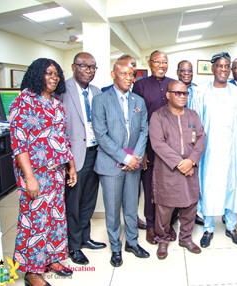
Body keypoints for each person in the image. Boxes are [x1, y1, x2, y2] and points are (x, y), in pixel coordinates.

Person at [9, 58, 77, 286]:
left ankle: (53, 259)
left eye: (56, 74)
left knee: (55, 219)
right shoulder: (24, 101)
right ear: (37, 74)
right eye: (48, 73)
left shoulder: (56, 104)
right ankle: (32, 272)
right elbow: (19, 143)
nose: (54, 78)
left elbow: (62, 140)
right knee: (35, 221)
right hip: (36, 174)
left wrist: (71, 167)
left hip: (56, 173)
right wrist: (29, 178)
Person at [189, 52, 237, 247]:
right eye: (220, 66)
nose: (224, 70)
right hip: (208, 151)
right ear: (213, 68)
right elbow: (195, 123)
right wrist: (195, 152)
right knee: (209, 187)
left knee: (232, 186)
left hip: (233, 150)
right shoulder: (201, 92)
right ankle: (208, 228)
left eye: (227, 66)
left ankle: (231, 227)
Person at [92, 55, 150, 267]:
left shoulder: (138, 101)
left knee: (131, 206)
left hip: (134, 163)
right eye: (123, 74)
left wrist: (136, 157)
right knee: (113, 208)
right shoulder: (100, 100)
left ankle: (132, 242)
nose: (128, 78)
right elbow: (101, 134)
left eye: (131, 74)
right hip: (110, 165)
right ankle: (115, 247)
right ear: (113, 74)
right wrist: (124, 157)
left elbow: (144, 130)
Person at [56, 52, 106, 266]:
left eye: (93, 67)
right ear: (73, 66)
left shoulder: (96, 92)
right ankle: (73, 246)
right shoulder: (61, 91)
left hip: (96, 152)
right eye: (84, 66)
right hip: (74, 157)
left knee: (89, 200)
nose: (89, 71)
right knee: (73, 202)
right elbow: (58, 129)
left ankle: (85, 238)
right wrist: (68, 162)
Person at [149, 80, 206, 259]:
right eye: (178, 93)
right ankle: (163, 239)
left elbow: (202, 138)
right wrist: (182, 164)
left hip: (191, 169)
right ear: (168, 95)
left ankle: (186, 238)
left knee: (190, 206)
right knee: (164, 209)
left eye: (185, 93)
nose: (182, 96)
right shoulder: (158, 116)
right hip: (167, 171)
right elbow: (158, 144)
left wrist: (192, 161)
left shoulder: (193, 115)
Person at [132, 50, 177, 245]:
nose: (161, 65)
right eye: (157, 61)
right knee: (150, 189)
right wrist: (139, 152)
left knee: (170, 187)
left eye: (165, 62)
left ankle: (167, 225)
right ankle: (151, 226)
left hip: (172, 148)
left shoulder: (173, 85)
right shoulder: (140, 86)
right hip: (148, 149)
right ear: (150, 63)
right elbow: (136, 121)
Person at [176, 60, 204, 226]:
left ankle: (194, 213)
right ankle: (175, 213)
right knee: (177, 178)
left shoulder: (198, 91)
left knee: (194, 178)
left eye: (190, 70)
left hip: (194, 139)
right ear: (178, 71)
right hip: (177, 139)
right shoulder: (173, 88)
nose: (186, 73)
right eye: (183, 70)